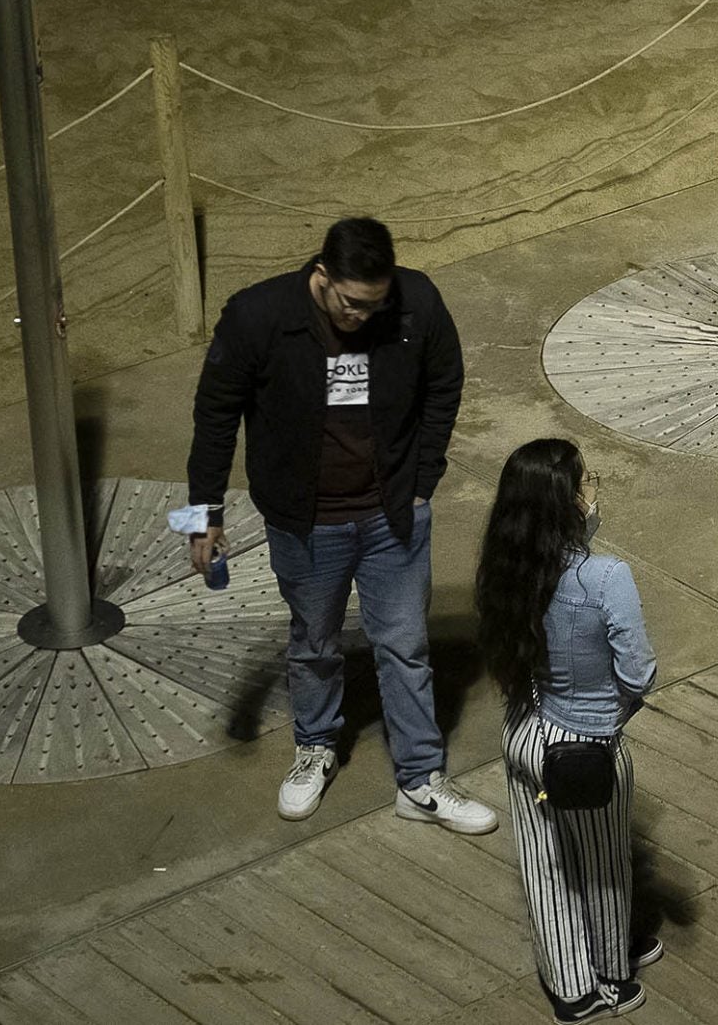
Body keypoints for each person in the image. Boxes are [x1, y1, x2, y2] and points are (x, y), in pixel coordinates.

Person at [182, 216, 497, 835]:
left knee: (406, 647)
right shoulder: (258, 316)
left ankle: (420, 780)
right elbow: (214, 417)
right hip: (307, 523)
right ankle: (316, 747)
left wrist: (422, 482)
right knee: (314, 643)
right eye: (351, 305)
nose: (361, 318)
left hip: (393, 518)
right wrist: (202, 518)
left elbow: (445, 383)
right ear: (321, 277)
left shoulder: (416, 301)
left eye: (374, 307)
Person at [475, 439, 664, 1022]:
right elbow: (639, 672)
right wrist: (611, 719)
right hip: (584, 747)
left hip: (523, 733)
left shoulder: (504, 569)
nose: (595, 489)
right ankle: (612, 975)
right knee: (605, 863)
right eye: (589, 482)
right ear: (568, 503)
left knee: (544, 861)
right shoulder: (605, 578)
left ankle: (568, 985)